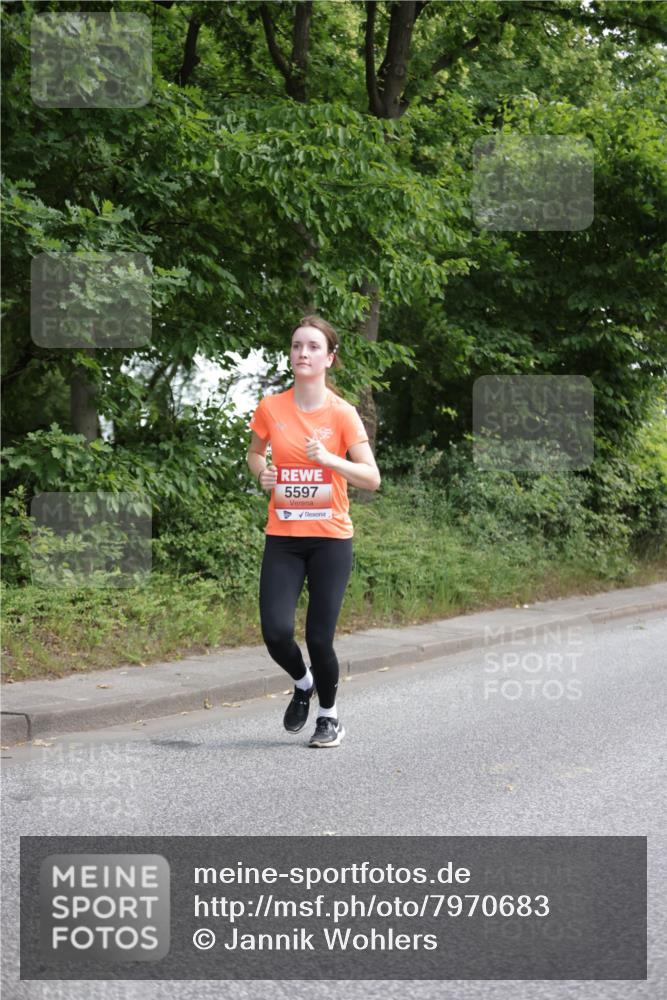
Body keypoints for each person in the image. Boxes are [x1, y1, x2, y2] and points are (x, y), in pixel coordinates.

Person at [246, 315, 381, 747]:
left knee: (320, 638)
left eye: (313, 347)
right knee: (276, 632)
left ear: (329, 358)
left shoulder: (342, 414)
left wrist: (329, 459)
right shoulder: (271, 407)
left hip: (330, 539)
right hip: (283, 539)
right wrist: (262, 473)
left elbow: (371, 477)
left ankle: (329, 716)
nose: (303, 353)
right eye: (297, 346)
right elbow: (254, 454)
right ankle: (303, 683)